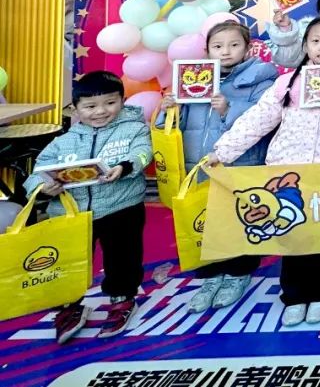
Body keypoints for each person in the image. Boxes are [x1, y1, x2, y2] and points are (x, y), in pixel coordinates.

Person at [209, 16, 320, 327]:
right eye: (315, 41)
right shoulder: (287, 82)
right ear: (305, 46)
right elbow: (258, 118)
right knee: (291, 231)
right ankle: (295, 294)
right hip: (287, 171)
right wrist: (222, 151)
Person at [158, 23, 278, 313]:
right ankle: (209, 277)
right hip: (196, 164)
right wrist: (169, 108)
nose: (226, 51)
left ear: (248, 48)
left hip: (239, 164)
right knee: (202, 221)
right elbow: (171, 127)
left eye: (234, 45)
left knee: (239, 220)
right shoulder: (191, 77)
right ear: (207, 50)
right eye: (218, 46)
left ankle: (238, 274)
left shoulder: (262, 78)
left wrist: (228, 109)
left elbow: (265, 120)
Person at [25, 71, 152, 343]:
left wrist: (125, 167)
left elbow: (143, 152)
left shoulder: (134, 129)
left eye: (110, 103)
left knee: (123, 257)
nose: (100, 111)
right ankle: (69, 305)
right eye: (90, 106)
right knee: (67, 261)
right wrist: (43, 186)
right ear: (75, 109)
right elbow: (38, 170)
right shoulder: (64, 140)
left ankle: (122, 298)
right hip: (71, 213)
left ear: (123, 101)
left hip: (121, 207)